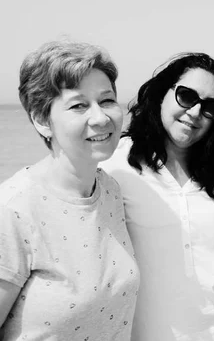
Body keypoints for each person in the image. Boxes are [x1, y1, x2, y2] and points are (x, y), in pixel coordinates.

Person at [0, 41, 139, 340]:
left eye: (107, 101)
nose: (101, 118)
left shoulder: (109, 191)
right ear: (41, 120)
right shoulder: (13, 210)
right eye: (78, 105)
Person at [100, 52, 214, 341]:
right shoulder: (115, 164)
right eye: (186, 96)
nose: (195, 112)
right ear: (162, 93)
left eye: (210, 106)